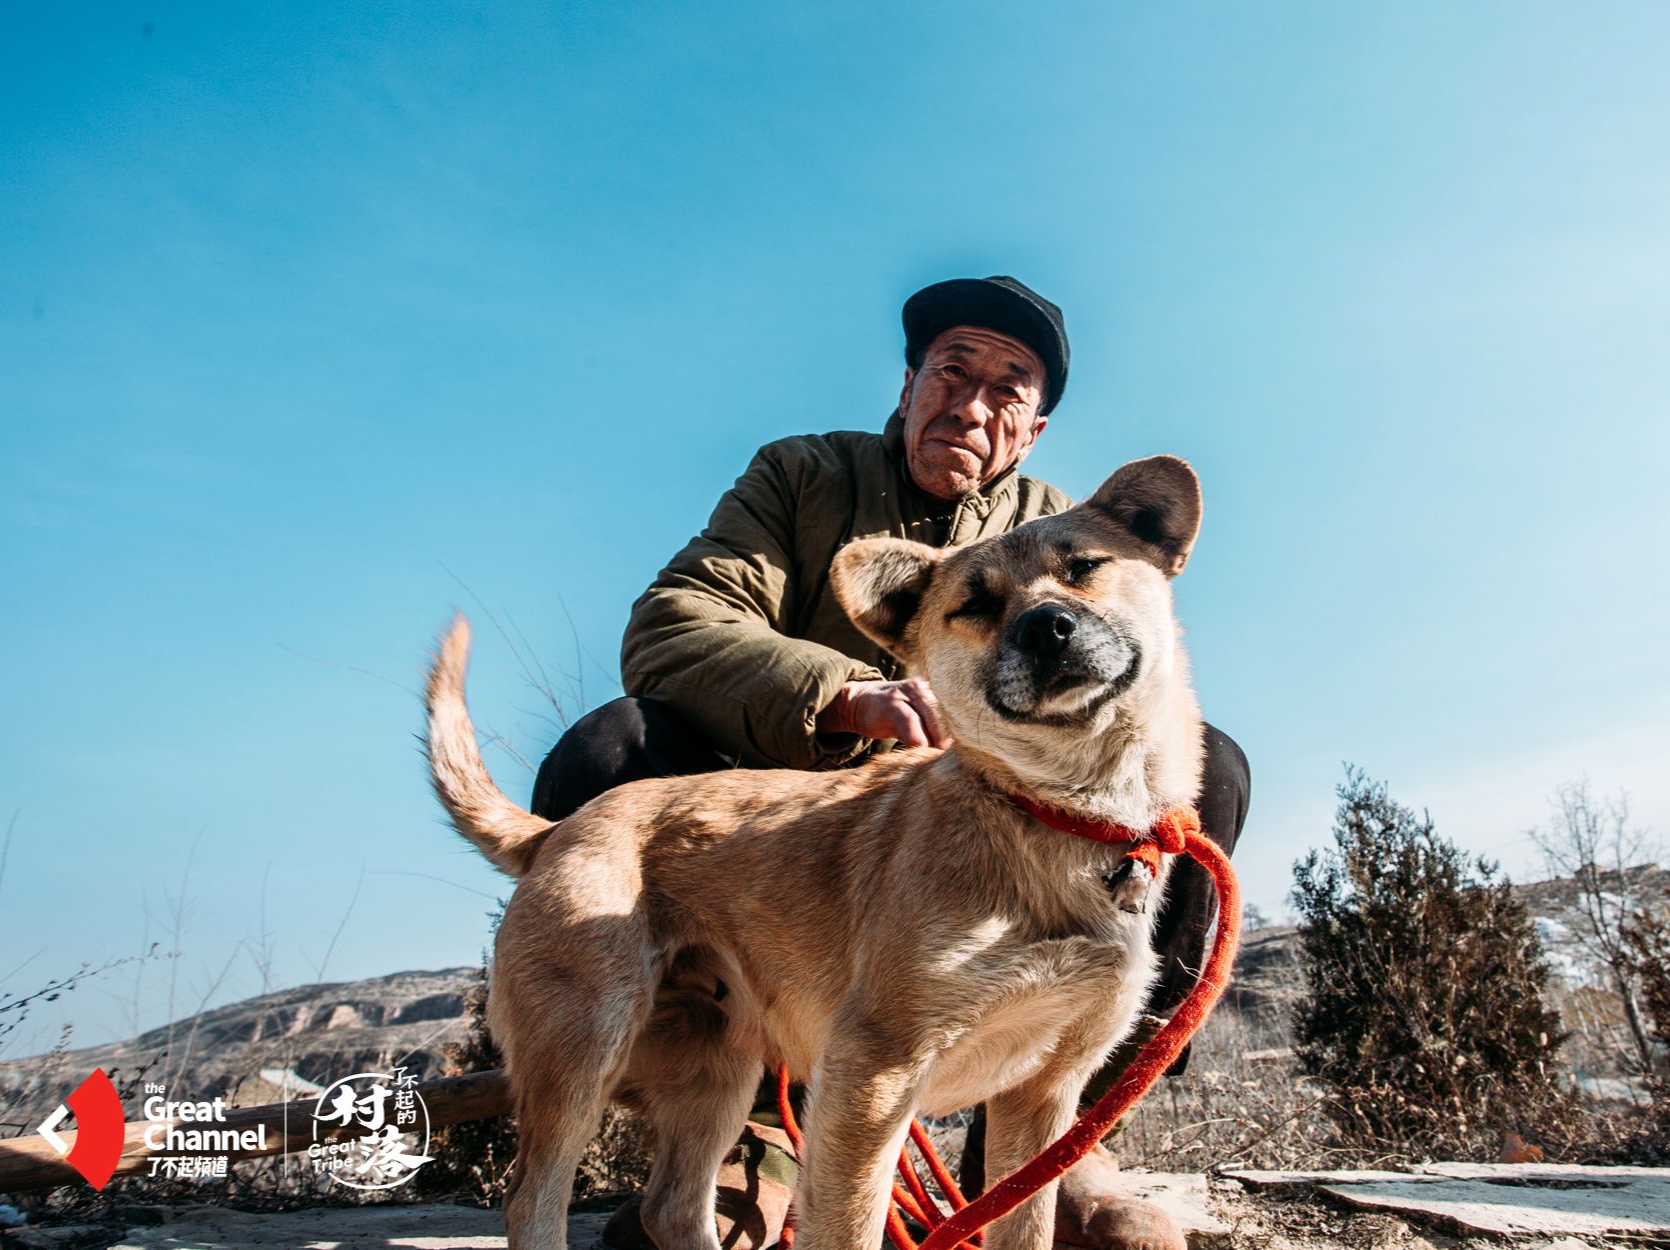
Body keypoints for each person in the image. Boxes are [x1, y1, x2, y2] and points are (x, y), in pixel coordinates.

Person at [531, 276, 1250, 1250]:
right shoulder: (800, 474)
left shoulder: (1059, 520)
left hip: (987, 835)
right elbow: (673, 624)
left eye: (1009, 387)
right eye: (953, 370)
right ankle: (744, 1134)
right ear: (910, 382)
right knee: (610, 747)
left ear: (1032, 430)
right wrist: (838, 696)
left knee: (1218, 775)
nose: (971, 401)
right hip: (778, 826)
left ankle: (1066, 1133)